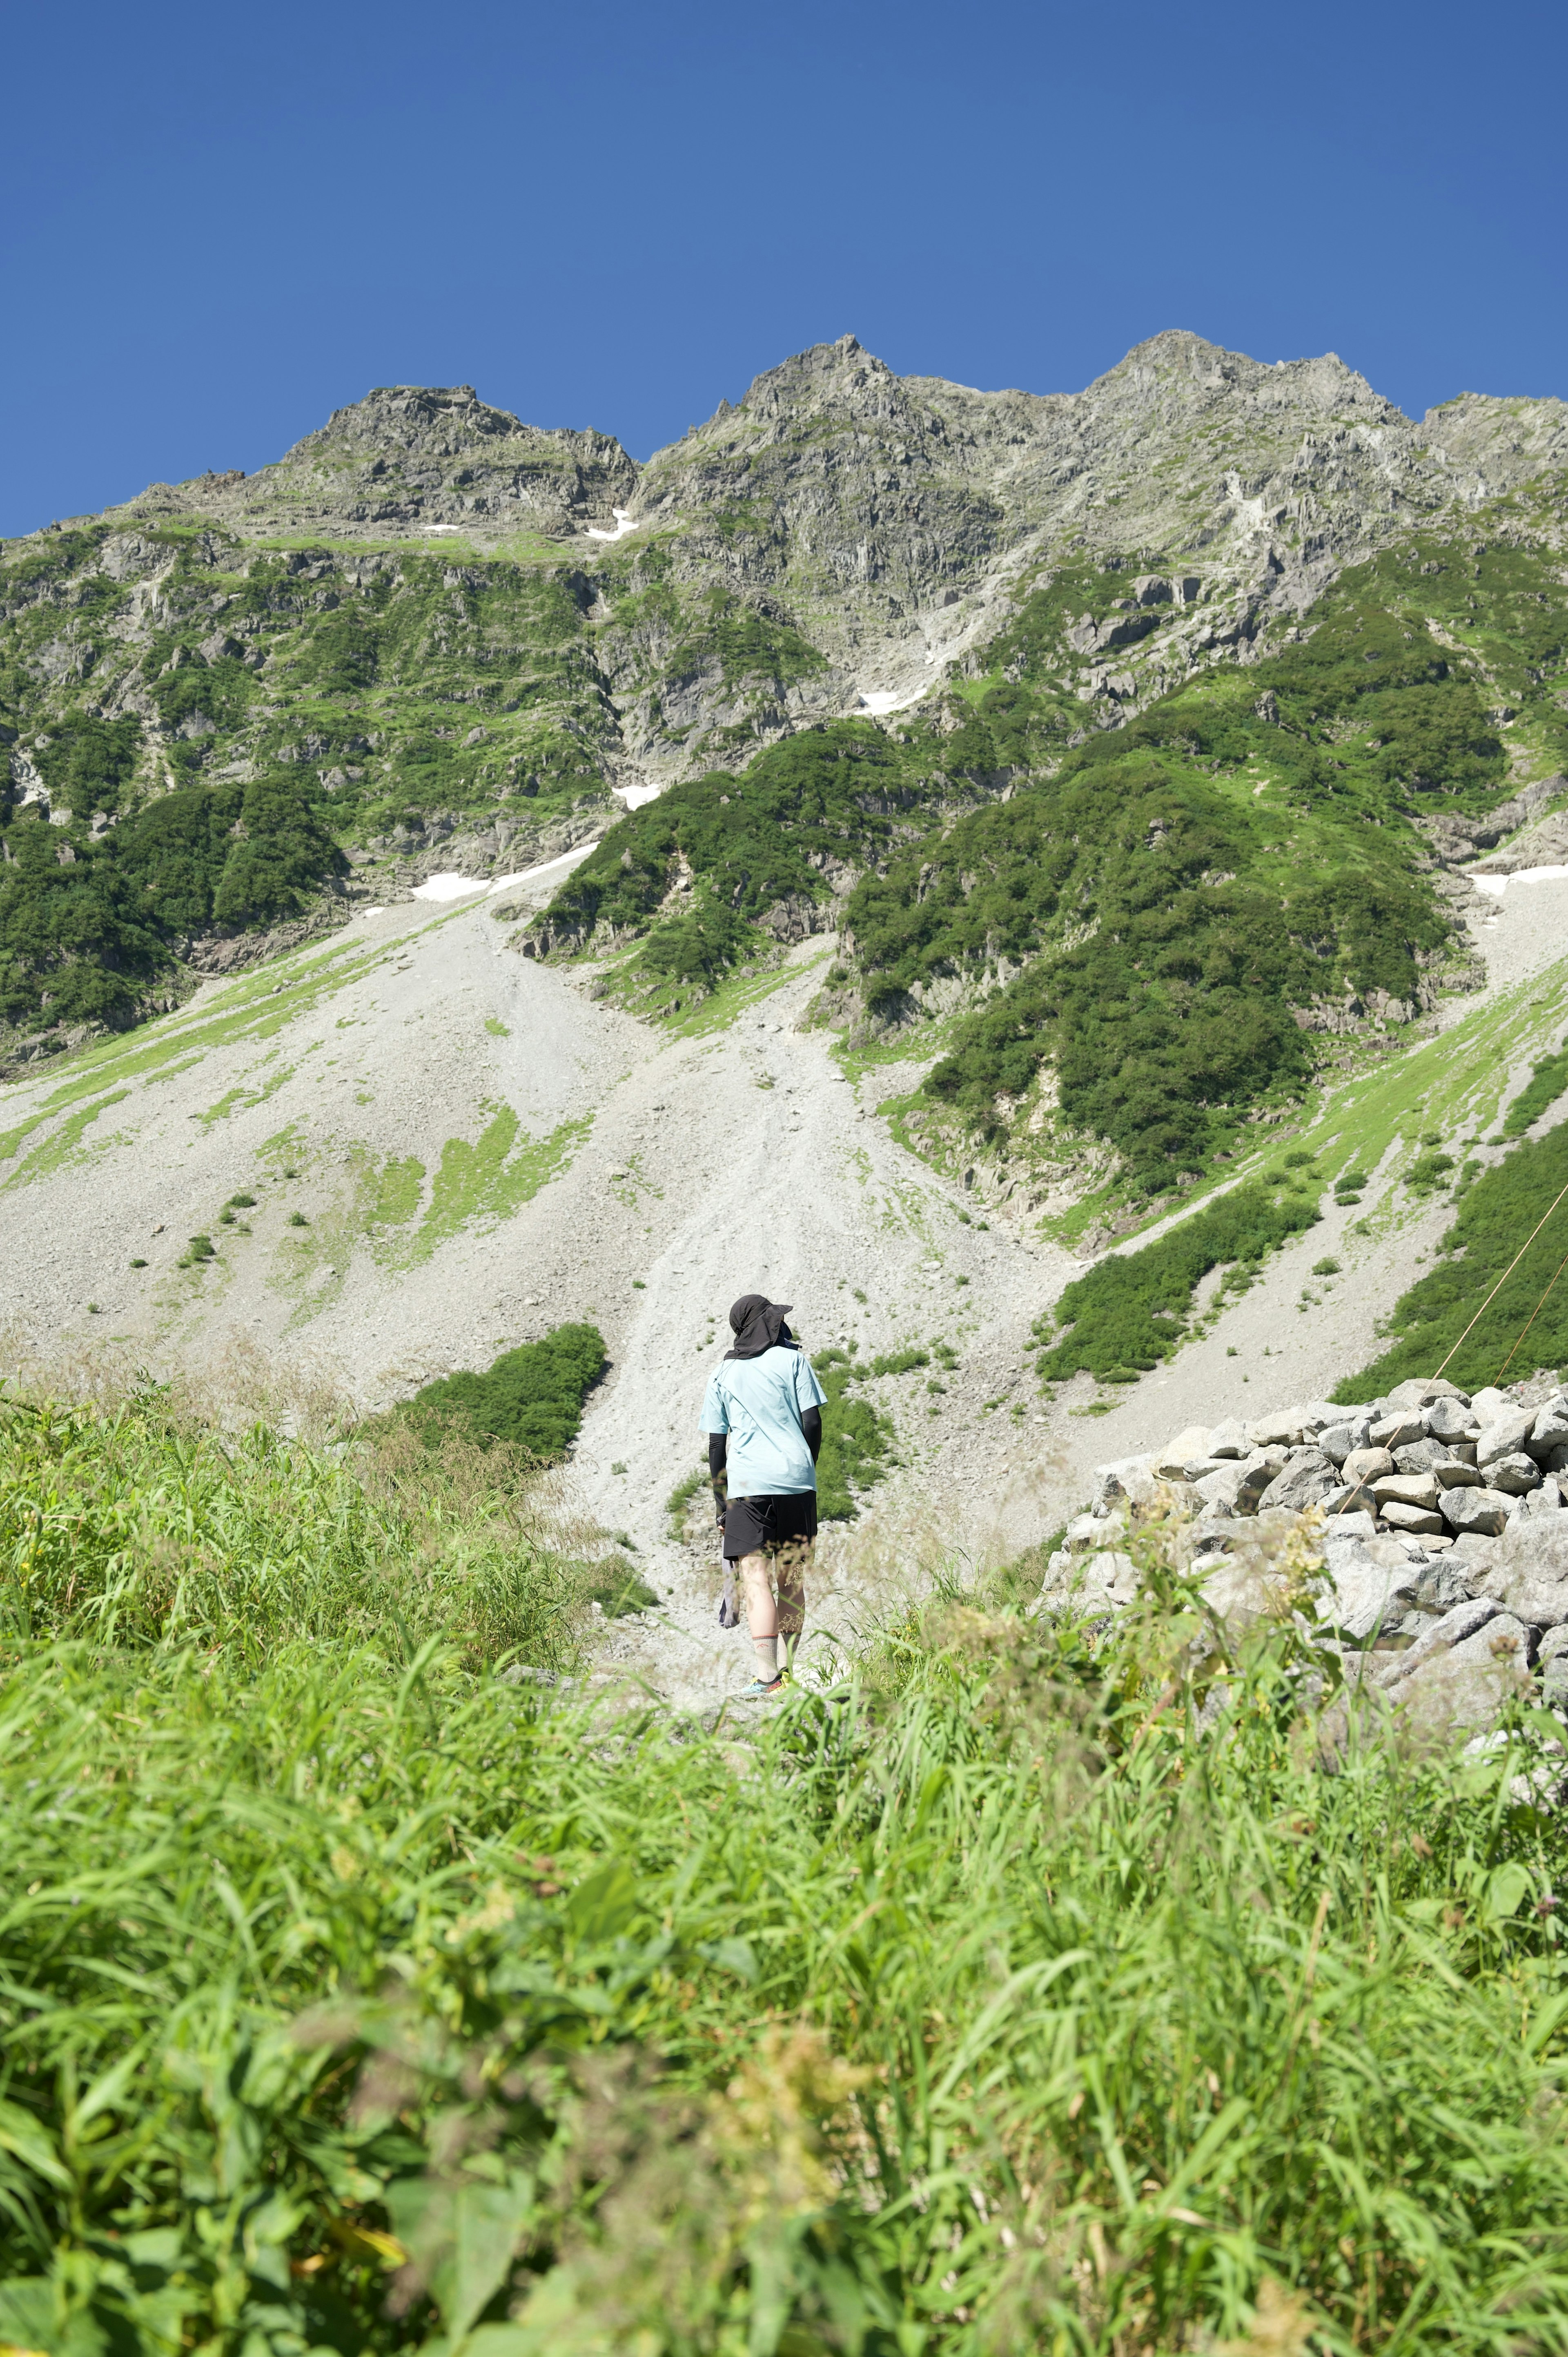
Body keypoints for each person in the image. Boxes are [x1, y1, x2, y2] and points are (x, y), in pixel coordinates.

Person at [700, 1293, 827, 1695]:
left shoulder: (723, 1373)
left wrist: (721, 1504)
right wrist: (805, 1466)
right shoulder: (794, 1361)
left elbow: (717, 1444)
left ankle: (767, 1675)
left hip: (747, 1486)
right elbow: (813, 1422)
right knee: (791, 1577)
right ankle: (789, 1672)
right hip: (796, 1480)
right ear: (770, 1323)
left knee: (755, 1577)